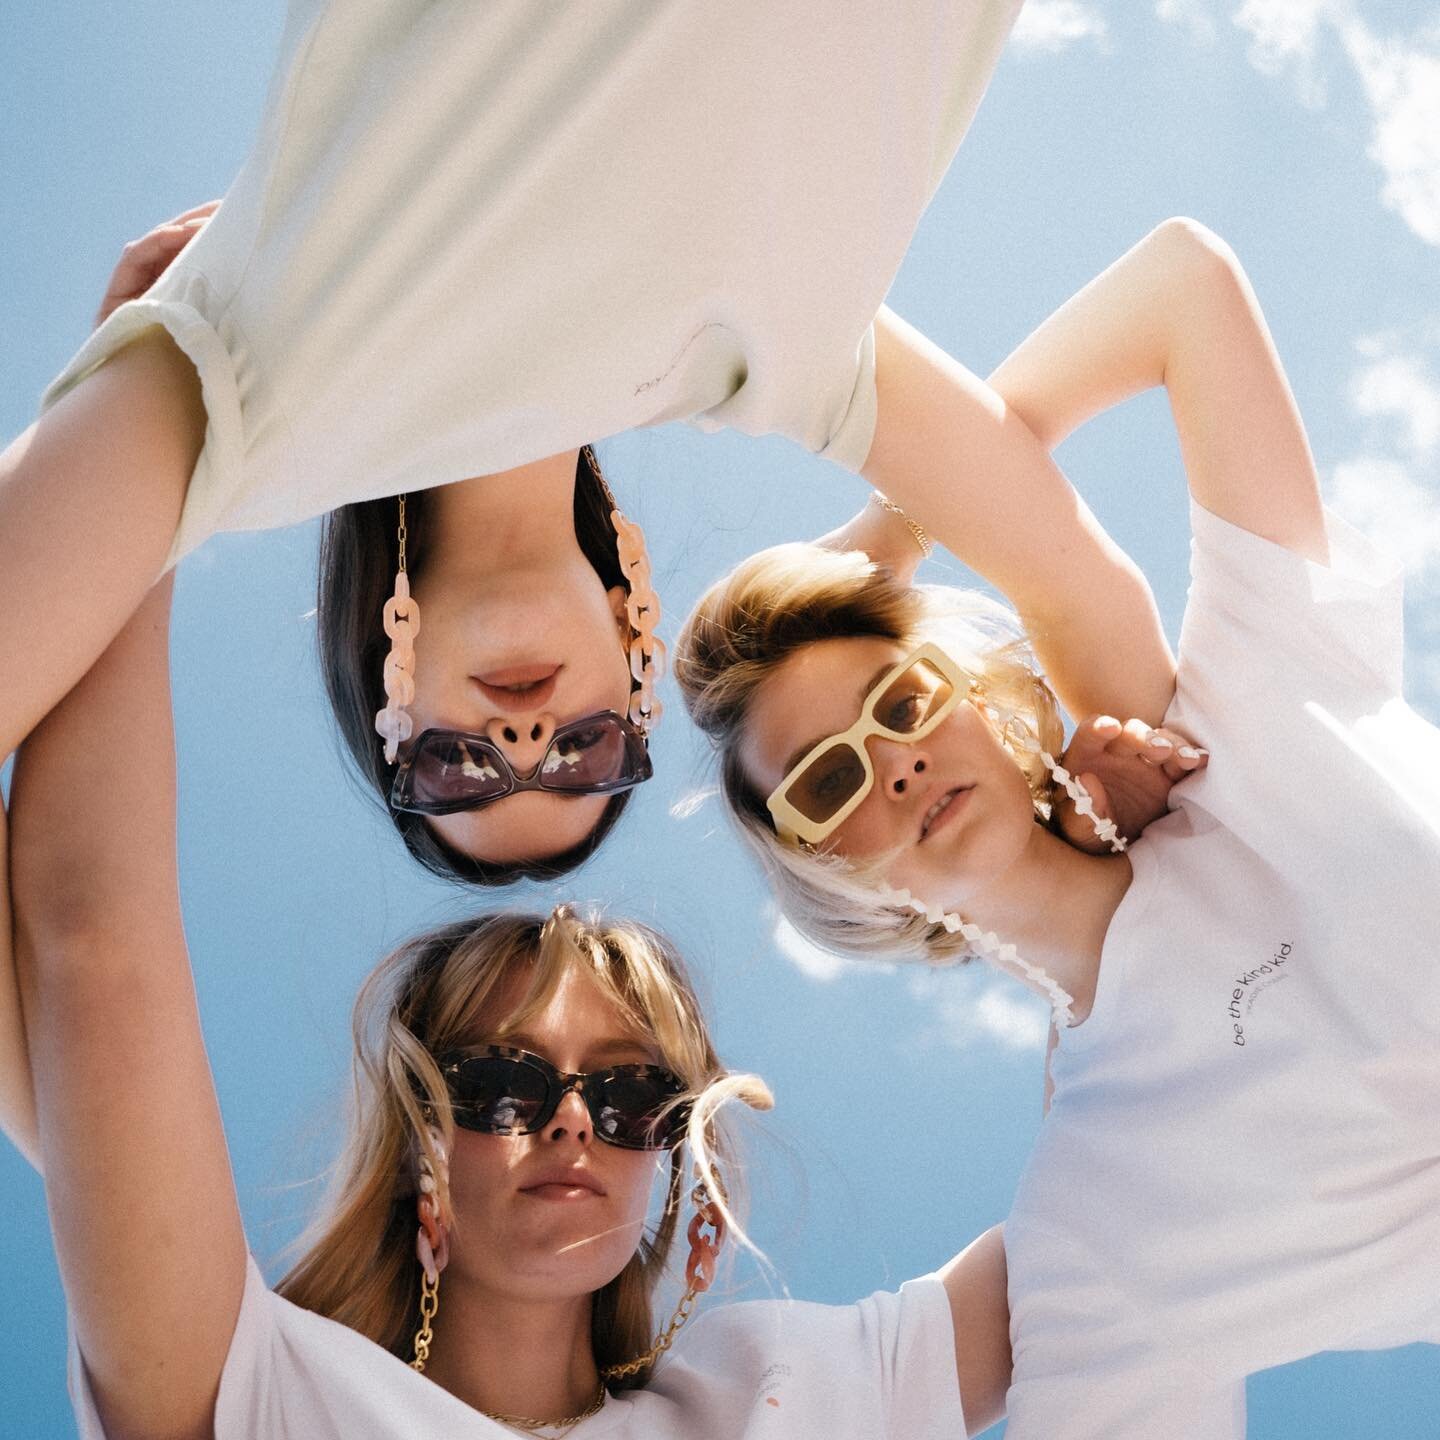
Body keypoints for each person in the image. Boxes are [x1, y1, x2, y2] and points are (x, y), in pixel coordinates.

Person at [1, 0, 1096, 887]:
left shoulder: (246, 408)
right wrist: (1096, 804)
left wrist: (138, 530)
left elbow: (90, 936)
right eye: (590, 757)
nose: (524, 746)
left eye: (455, 772)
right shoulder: (771, 367)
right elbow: (1082, 585)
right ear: (637, 676)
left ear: (389, 700)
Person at [674, 217, 1440, 1434]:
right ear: (836, 877)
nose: (893, 762)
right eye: (826, 784)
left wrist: (890, 537)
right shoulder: (1091, 1213)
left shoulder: (1242, 715)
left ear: (977, 695)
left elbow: (1182, 286)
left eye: (901, 700)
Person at [5, 579, 1015, 1439]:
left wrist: (1066, 825)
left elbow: (1125, 1182)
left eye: (631, 1094)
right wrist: (166, 441)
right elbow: (93, 950)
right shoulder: (262, 1389)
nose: (575, 1121)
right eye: (501, 1083)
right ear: (416, 1142)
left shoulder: (768, 1399)